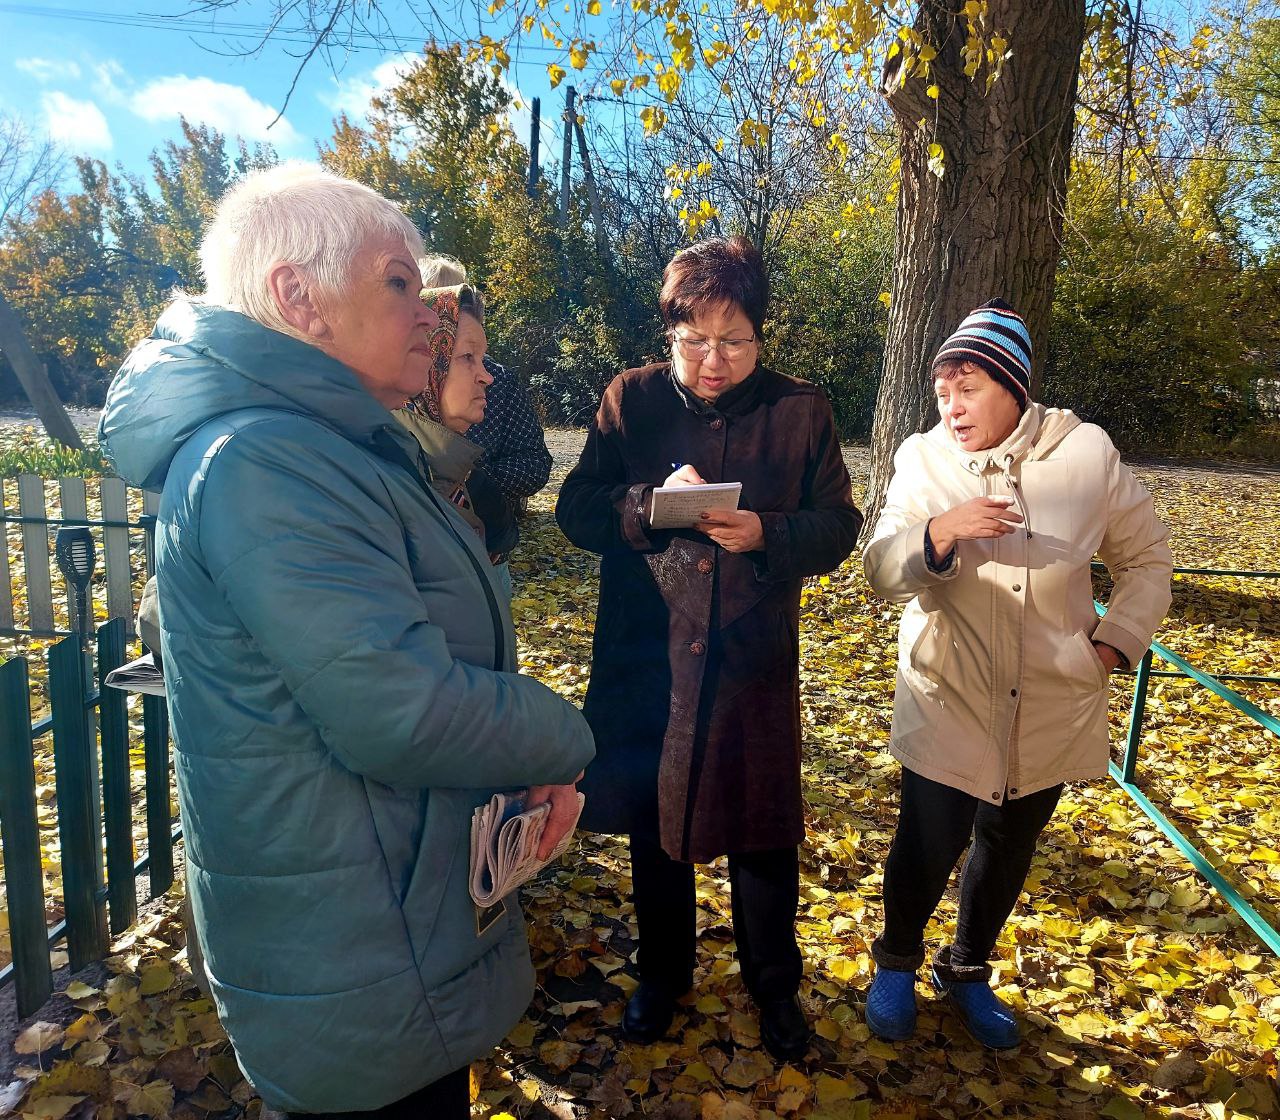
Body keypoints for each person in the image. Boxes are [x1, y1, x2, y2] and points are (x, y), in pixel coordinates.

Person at [96, 163, 595, 1117]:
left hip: (381, 915)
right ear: (298, 297)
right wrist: (565, 737)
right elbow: (400, 710)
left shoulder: (325, 444)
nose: (426, 312)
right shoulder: (265, 460)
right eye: (398, 283)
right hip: (351, 945)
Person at [556, 235, 862, 1062]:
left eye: (733, 340)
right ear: (670, 334)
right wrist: (648, 506)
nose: (713, 360)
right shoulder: (632, 399)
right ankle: (663, 974)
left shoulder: (801, 411)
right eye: (694, 340)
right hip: (647, 653)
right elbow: (577, 510)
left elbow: (840, 525)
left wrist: (767, 531)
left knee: (763, 831)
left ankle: (774, 985)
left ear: (761, 336)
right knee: (660, 828)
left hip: (749, 660)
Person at [861, 299, 1172, 1049]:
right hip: (949, 689)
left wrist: (1109, 648)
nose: (951, 404)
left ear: (1012, 385)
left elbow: (1148, 558)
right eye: (942, 389)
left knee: (1007, 845)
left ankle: (967, 969)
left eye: (968, 386)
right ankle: (896, 963)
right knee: (927, 843)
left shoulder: (1087, 455)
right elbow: (880, 570)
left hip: (1051, 700)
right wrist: (940, 532)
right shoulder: (922, 459)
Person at [418, 256, 553, 600]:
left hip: (490, 552)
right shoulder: (380, 445)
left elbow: (534, 463)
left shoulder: (500, 383)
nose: (484, 376)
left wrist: (474, 484)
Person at [393, 283, 507, 555]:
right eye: (468, 356)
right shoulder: (395, 482)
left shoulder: (445, 471)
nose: (487, 377)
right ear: (426, 360)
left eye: (483, 358)